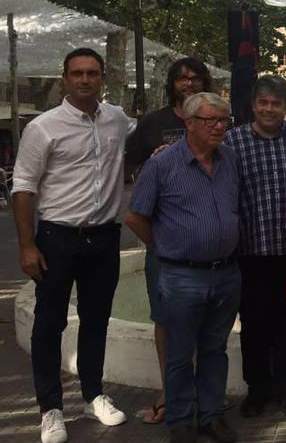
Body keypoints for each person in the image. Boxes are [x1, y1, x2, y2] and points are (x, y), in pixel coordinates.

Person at [13, 48, 130, 443]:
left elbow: (146, 141)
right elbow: (24, 188)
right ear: (64, 78)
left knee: (96, 322)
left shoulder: (116, 120)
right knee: (49, 325)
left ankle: (94, 395)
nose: (85, 80)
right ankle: (50, 409)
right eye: (77, 73)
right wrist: (27, 246)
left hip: (104, 238)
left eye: (92, 73)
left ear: (102, 79)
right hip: (57, 238)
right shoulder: (43, 128)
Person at [126, 93, 240, 443]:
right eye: (211, 121)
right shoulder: (162, 164)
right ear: (189, 123)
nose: (219, 127)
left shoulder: (230, 160)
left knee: (214, 350)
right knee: (179, 354)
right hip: (181, 275)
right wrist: (163, 247)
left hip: (225, 273)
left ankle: (211, 416)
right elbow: (135, 216)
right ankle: (179, 420)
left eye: (224, 120)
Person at [124, 56, 212, 425]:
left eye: (194, 78)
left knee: (208, 324)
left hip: (208, 243)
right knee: (165, 319)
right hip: (165, 241)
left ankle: (206, 395)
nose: (188, 84)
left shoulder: (219, 120)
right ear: (172, 84)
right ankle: (169, 390)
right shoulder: (153, 124)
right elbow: (128, 165)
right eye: (181, 78)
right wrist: (153, 166)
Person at [223, 76, 286, 418]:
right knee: (254, 323)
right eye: (264, 102)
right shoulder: (233, 142)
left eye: (276, 103)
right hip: (251, 251)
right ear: (253, 105)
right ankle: (257, 389)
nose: (269, 109)